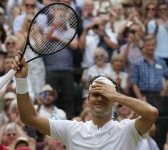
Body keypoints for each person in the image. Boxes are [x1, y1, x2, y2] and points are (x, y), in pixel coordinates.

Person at [12, 55, 159, 150]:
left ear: (114, 99)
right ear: (87, 99)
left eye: (106, 95)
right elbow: (29, 117)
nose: (100, 98)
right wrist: (21, 80)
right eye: (95, 94)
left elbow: (151, 114)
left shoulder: (127, 129)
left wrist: (117, 96)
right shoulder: (72, 129)